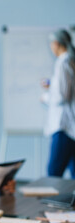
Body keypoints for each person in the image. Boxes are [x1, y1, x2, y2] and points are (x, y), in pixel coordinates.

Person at [41, 29, 75, 178]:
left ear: (56, 44)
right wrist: (52, 86)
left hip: (63, 127)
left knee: (53, 172)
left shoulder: (62, 63)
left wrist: (45, 97)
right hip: (70, 127)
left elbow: (62, 96)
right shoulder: (71, 61)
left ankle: (54, 202)